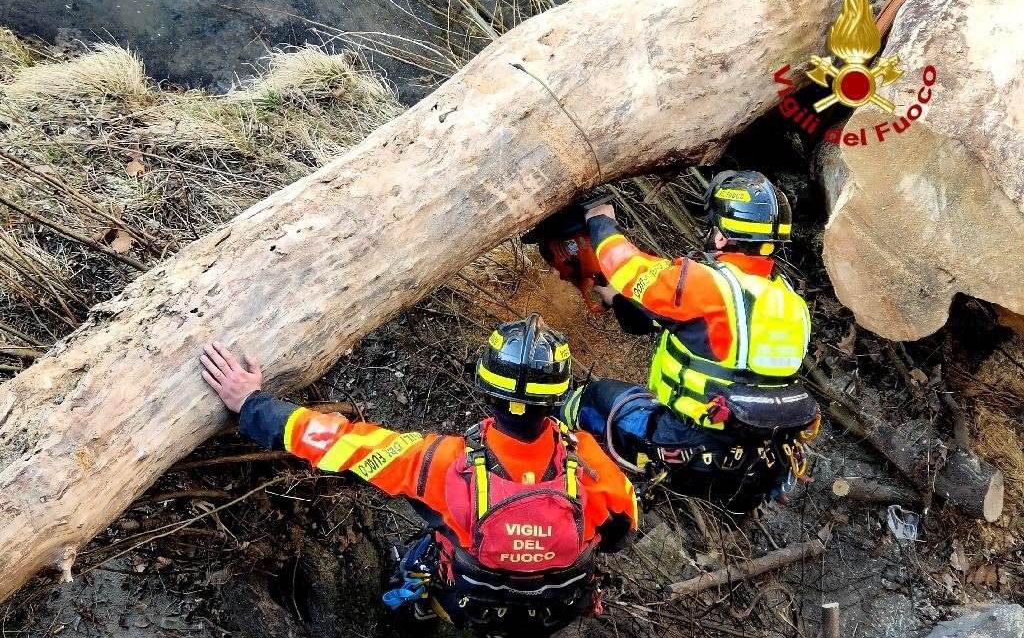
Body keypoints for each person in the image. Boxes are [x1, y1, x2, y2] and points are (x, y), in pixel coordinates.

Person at [200, 313, 638, 637]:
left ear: (485, 388)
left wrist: (252, 404)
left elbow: (340, 443)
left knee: (417, 563)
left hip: (465, 610)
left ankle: (416, 617)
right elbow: (621, 537)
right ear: (559, 398)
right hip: (551, 614)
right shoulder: (592, 465)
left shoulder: (440, 462)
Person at [559, 170, 821, 516]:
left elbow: (625, 266)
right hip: (757, 467)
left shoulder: (706, 285)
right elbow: (712, 341)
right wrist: (617, 300)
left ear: (723, 237)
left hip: (688, 453)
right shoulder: (792, 304)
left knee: (593, 400)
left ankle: (550, 457)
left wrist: (599, 219)